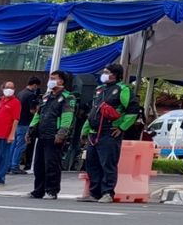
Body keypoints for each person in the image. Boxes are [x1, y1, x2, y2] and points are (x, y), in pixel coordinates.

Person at [79, 63, 136, 203]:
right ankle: (94, 193)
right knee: (92, 164)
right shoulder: (100, 90)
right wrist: (84, 131)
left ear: (115, 74)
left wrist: (122, 127)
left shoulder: (123, 89)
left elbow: (133, 110)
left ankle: (107, 193)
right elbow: (93, 112)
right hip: (93, 133)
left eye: (106, 72)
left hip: (110, 132)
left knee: (108, 164)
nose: (103, 74)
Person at [28, 70, 76, 200]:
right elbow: (38, 114)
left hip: (54, 136)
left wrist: (61, 133)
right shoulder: (46, 97)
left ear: (61, 81)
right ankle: (38, 190)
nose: (50, 80)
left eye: (53, 78)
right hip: (42, 135)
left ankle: (51, 190)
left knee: (52, 164)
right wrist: (31, 129)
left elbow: (67, 117)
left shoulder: (68, 97)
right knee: (39, 164)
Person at [7, 76, 41, 175]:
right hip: (25, 122)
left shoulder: (20, 93)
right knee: (21, 146)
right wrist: (38, 109)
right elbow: (32, 110)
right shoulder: (31, 95)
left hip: (17, 122)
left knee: (13, 145)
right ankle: (15, 166)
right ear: (35, 85)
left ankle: (9, 165)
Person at [0, 81, 20, 185]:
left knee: (3, 156)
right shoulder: (1, 100)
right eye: (7, 87)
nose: (9, 89)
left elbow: (16, 119)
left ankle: (0, 177)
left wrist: (12, 134)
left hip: (5, 134)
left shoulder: (15, 102)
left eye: (11, 87)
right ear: (3, 88)